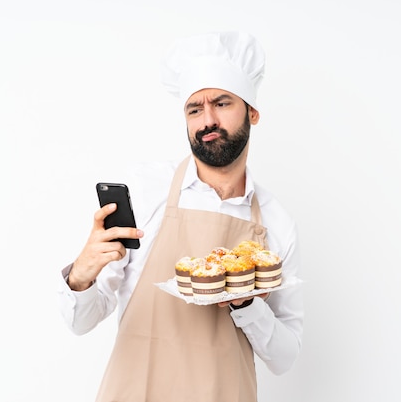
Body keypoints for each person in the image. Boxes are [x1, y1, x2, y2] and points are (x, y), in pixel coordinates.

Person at [58, 30, 304, 402]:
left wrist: (246, 303)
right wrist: (81, 275)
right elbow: (81, 322)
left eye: (222, 103)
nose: (207, 120)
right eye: (194, 109)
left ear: (252, 112)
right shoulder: (144, 190)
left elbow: (285, 358)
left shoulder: (276, 222)